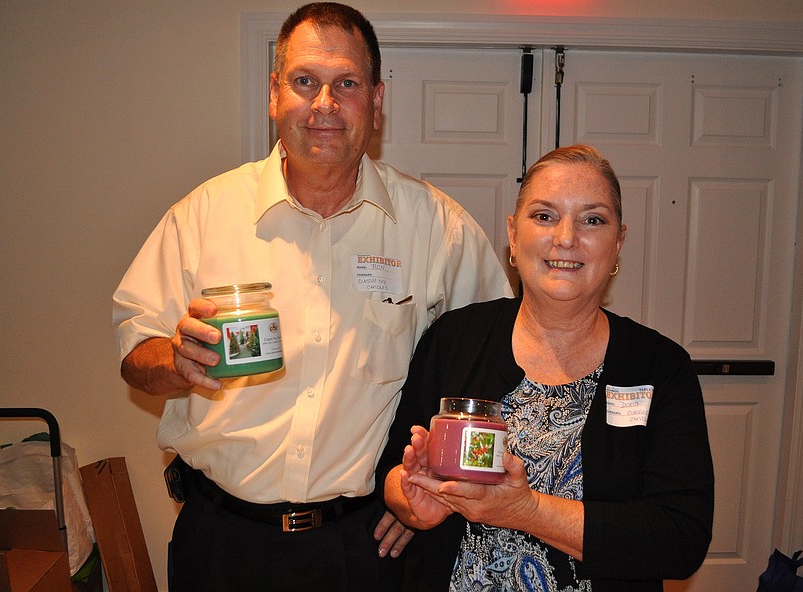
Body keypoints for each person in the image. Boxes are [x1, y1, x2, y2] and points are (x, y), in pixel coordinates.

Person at [112, 3, 512, 590]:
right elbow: (133, 354)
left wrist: (436, 495)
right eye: (305, 82)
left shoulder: (437, 229)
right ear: (275, 94)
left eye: (346, 84)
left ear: (376, 101)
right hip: (221, 541)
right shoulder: (203, 216)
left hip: (365, 547)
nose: (324, 104)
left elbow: (496, 365)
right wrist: (173, 361)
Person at [380, 144, 715, 591]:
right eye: (544, 216)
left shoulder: (660, 367)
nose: (566, 237)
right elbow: (395, 471)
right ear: (513, 237)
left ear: (618, 243)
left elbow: (680, 540)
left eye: (592, 219)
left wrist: (527, 512)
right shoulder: (454, 339)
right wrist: (412, 503)